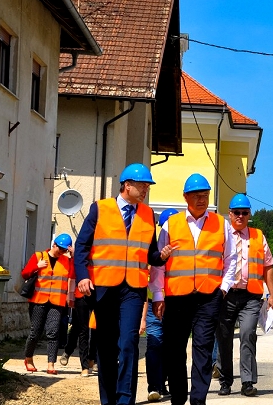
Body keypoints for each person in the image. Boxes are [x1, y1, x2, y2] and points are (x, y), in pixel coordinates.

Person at [74, 163, 164, 405]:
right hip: (103, 287)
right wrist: (82, 276)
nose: (146, 189)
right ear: (127, 185)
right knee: (105, 347)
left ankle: (125, 399)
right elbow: (81, 246)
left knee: (129, 343)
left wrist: (161, 256)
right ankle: (108, 400)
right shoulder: (99, 209)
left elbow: (150, 254)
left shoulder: (147, 215)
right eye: (142, 185)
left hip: (133, 289)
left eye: (148, 186)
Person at [151, 174, 233, 405]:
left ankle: (198, 401)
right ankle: (178, 399)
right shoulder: (170, 225)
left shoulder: (221, 224)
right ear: (185, 197)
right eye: (196, 195)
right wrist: (158, 296)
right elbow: (159, 265)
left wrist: (223, 288)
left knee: (203, 351)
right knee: (174, 352)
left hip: (208, 298)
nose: (201, 199)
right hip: (177, 299)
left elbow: (231, 259)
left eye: (205, 195)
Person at [217, 193, 273, 397]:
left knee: (247, 334)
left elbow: (268, 266)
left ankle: (247, 382)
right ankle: (225, 381)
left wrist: (272, 295)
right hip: (225, 295)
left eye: (244, 212)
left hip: (251, 296)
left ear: (250, 214)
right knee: (223, 337)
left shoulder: (258, 236)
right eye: (236, 212)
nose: (240, 216)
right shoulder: (222, 235)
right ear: (230, 214)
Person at [22, 233, 75, 374]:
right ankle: (28, 358)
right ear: (54, 245)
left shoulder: (67, 261)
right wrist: (36, 267)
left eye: (65, 250)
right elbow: (25, 274)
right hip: (38, 300)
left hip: (57, 302)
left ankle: (51, 364)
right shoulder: (38, 256)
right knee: (35, 332)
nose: (63, 252)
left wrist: (74, 255)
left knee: (53, 332)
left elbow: (75, 274)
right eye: (61, 249)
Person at [144, 208, 177, 402]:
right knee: (154, 344)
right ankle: (154, 386)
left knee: (169, 346)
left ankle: (163, 383)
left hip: (174, 303)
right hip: (154, 304)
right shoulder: (154, 252)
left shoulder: (183, 251)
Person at [60, 273, 97, 377]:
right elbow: (72, 276)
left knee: (96, 327)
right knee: (82, 329)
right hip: (81, 294)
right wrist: (70, 295)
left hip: (98, 293)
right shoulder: (78, 257)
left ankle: (93, 358)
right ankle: (84, 366)